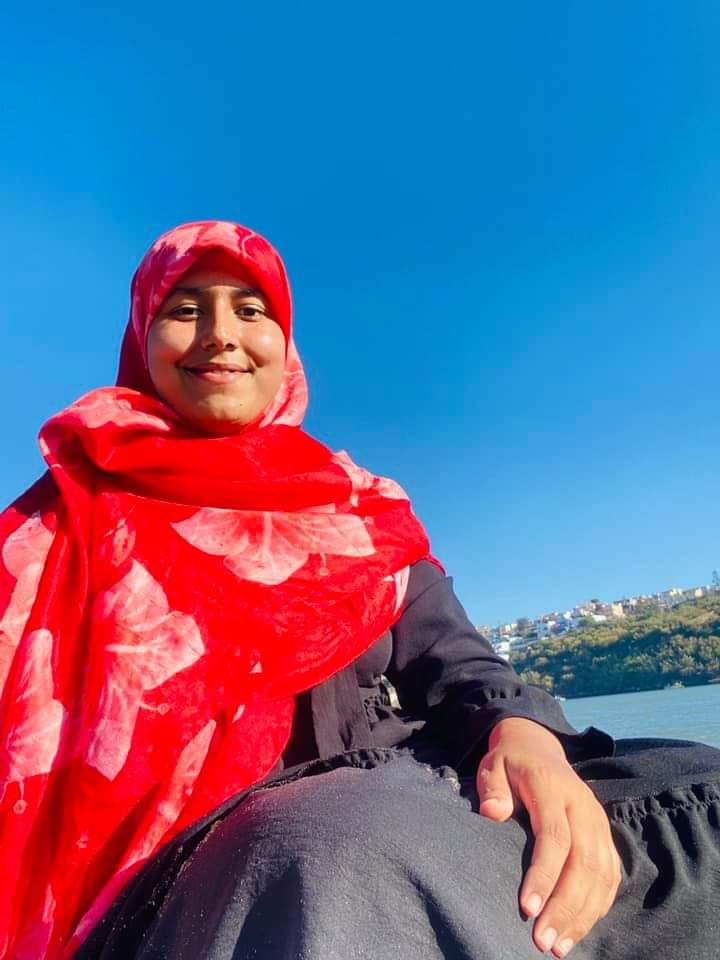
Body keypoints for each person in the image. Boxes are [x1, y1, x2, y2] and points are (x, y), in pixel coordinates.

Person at [1, 221, 718, 960]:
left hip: (395, 797)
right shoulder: (58, 525)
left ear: (285, 345)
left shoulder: (356, 512)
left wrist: (523, 734)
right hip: (199, 878)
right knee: (324, 848)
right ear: (140, 340)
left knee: (699, 793)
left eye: (252, 310)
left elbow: (462, 667)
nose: (221, 334)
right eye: (184, 310)